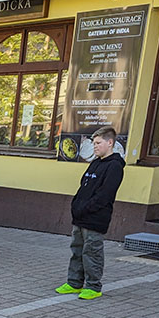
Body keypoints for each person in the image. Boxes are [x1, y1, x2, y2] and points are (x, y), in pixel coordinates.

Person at [55, 126, 125, 301]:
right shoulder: (95, 163)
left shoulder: (114, 166)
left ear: (110, 143)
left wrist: (86, 208)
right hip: (80, 216)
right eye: (94, 143)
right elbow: (83, 186)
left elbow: (105, 195)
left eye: (98, 143)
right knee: (77, 250)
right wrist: (76, 205)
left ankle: (93, 286)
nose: (95, 146)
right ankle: (74, 283)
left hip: (95, 218)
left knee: (92, 251)